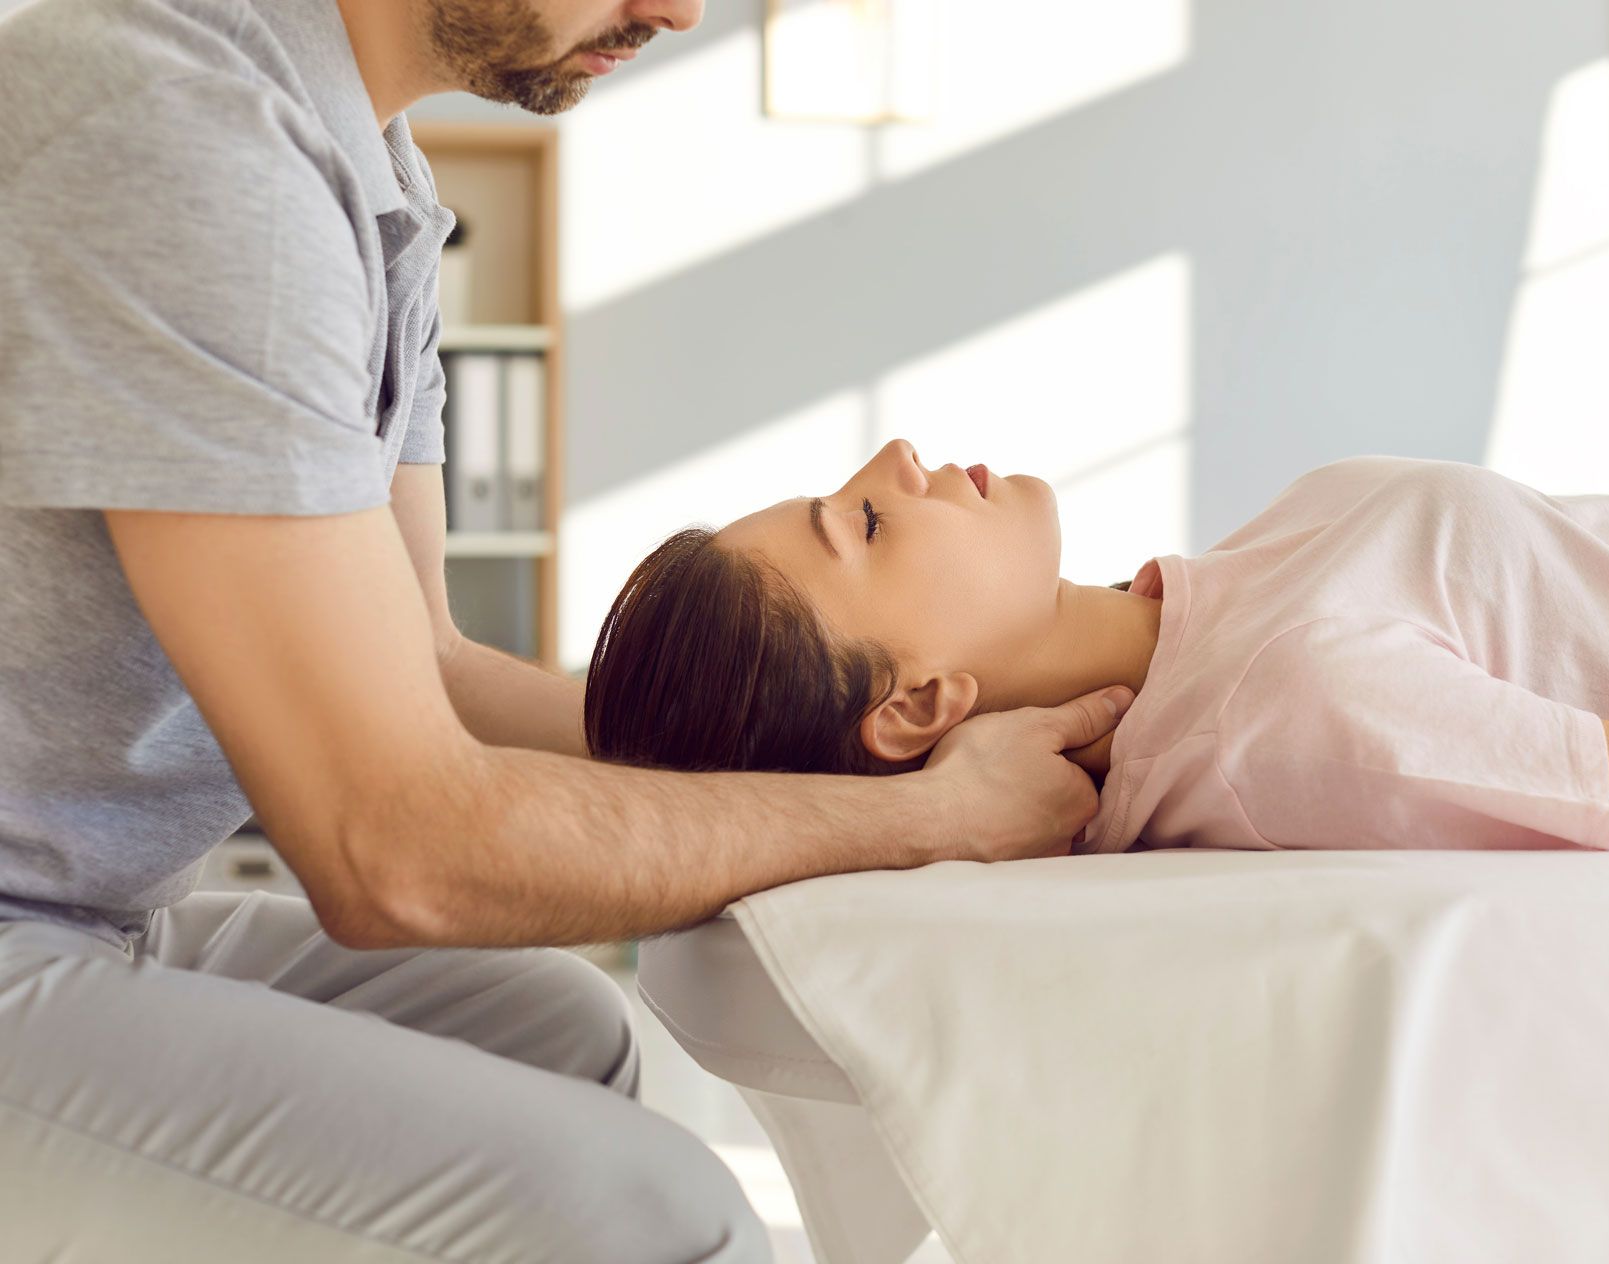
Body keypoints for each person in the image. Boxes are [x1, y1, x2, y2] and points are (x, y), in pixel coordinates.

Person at [0, 1, 1127, 1259]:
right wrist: (927, 819)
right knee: (663, 1221)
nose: (681, 11)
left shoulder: (368, 179)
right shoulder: (191, 139)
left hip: (84, 910)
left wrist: (883, 746)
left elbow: (430, 660)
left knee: (564, 1030)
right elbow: (395, 852)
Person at [585, 437, 1609, 876]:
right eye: (865, 524)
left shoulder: (1222, 602)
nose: (897, 457)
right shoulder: (1293, 715)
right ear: (919, 702)